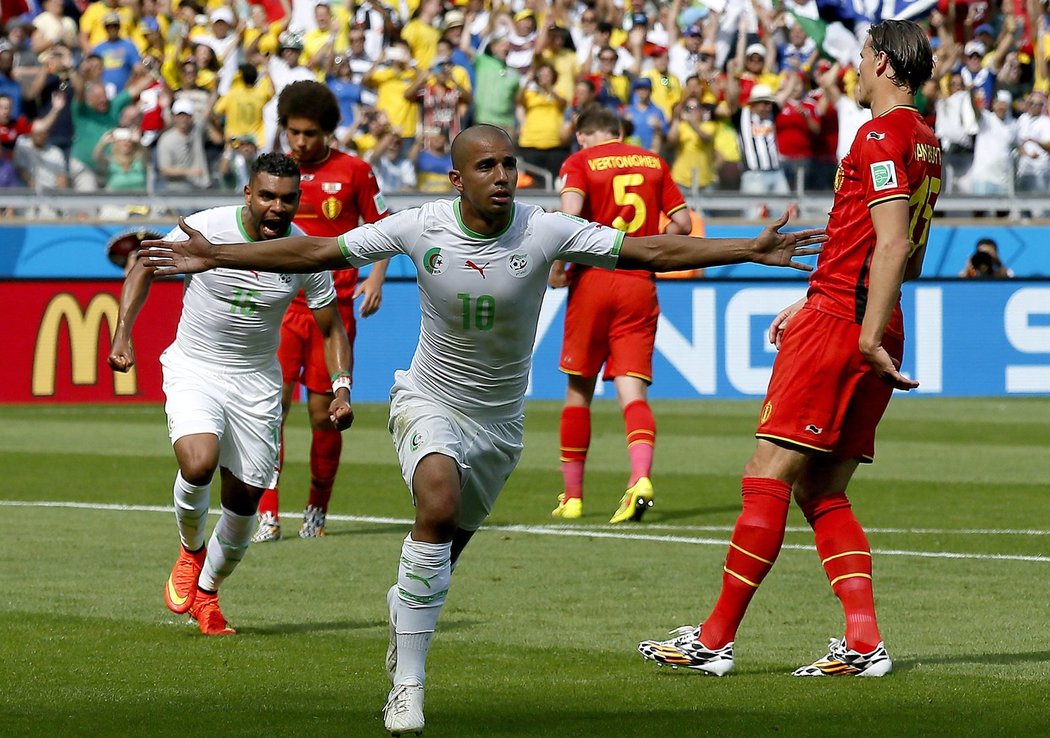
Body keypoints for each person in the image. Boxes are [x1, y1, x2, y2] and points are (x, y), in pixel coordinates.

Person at [140, 123, 824, 735]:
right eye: (488, 165)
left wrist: (747, 246)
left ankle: (406, 616)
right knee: (435, 506)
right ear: (457, 178)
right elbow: (318, 254)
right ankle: (407, 687)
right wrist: (222, 257)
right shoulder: (420, 226)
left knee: (442, 553)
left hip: (498, 424)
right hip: (428, 398)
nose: (504, 176)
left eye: (511, 164)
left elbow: (646, 250)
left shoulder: (546, 229)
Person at [637, 19, 940, 679]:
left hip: (846, 324)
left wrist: (849, 324)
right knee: (823, 491)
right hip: (868, 315)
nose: (855, 70)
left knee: (767, 471)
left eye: (861, 57)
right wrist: (826, 300)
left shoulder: (881, 135)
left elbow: (890, 245)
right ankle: (863, 642)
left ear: (884, 62)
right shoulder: (927, 143)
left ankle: (714, 640)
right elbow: (903, 258)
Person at [108, 153, 353, 636]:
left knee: (245, 503)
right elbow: (142, 265)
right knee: (198, 462)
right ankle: (190, 550)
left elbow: (332, 328)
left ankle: (209, 593)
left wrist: (342, 386)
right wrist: (123, 333)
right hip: (195, 367)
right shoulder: (207, 228)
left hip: (258, 384)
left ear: (298, 201)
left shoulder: (306, 253)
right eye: (266, 196)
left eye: (286, 199)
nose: (276, 207)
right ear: (248, 194)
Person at [251, 80, 389, 543]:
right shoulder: (276, 176)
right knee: (271, 408)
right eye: (292, 132)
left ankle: (316, 506)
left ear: (327, 130)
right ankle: (267, 511)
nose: (300, 142)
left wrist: (374, 277)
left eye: (309, 133)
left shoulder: (355, 171)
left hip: (332, 307)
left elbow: (384, 227)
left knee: (322, 413)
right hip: (278, 307)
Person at [548, 106, 692, 523]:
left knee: (578, 392)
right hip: (639, 282)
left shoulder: (579, 162)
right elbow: (681, 224)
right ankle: (640, 478)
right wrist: (649, 243)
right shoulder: (653, 161)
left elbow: (571, 216)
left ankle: (572, 498)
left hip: (594, 278)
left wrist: (557, 266)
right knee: (633, 393)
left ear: (586, 135)